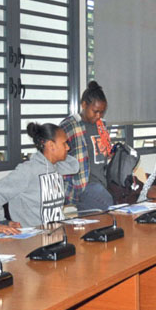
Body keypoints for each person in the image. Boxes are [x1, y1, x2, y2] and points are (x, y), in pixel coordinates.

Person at [0, 123, 79, 228]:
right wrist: (1, 225)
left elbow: (74, 166)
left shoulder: (57, 166)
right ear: (51, 145)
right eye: (64, 143)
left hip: (55, 232)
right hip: (33, 235)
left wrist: (55, 156)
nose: (68, 147)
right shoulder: (28, 170)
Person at [60, 81, 113, 212]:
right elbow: (57, 157)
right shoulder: (69, 126)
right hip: (81, 185)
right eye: (95, 111)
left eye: (102, 112)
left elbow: (105, 153)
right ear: (84, 105)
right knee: (108, 205)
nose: (98, 116)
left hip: (101, 182)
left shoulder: (101, 125)